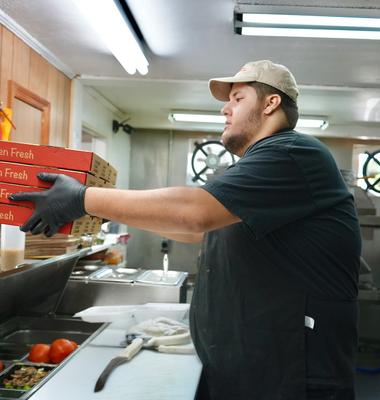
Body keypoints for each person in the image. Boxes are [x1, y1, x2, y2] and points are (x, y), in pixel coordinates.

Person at [10, 60, 361, 400]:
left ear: (271, 104)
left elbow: (193, 213)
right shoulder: (258, 166)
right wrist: (93, 213)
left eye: (238, 100)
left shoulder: (293, 153)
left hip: (291, 373)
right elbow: (195, 231)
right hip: (249, 366)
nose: (225, 110)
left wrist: (84, 199)